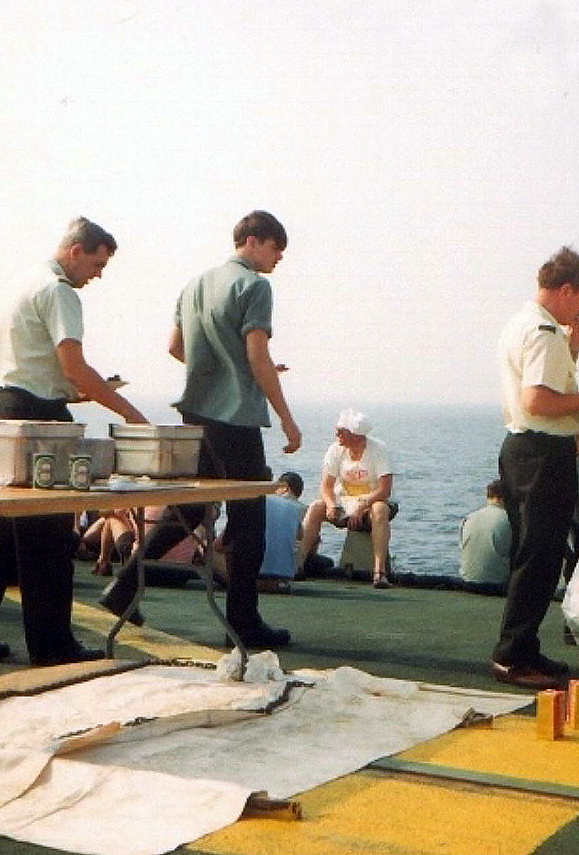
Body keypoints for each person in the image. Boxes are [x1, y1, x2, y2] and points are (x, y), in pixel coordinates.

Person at [0, 216, 148, 666]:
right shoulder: (60, 292)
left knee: (1, 530)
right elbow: (74, 366)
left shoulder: (23, 284)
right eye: (97, 264)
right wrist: (130, 414)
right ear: (76, 251)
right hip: (37, 418)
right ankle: (51, 644)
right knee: (48, 535)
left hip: (3, 406)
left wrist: (69, 391)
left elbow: (45, 369)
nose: (97, 275)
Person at [100, 210, 300, 648]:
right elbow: (256, 355)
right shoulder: (255, 286)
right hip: (236, 419)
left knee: (190, 510)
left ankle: (124, 585)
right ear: (254, 241)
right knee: (249, 518)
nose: (278, 259)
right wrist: (285, 417)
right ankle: (242, 624)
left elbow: (175, 347)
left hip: (197, 415)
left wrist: (219, 369)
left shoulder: (194, 285)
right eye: (275, 248)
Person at [490, 246, 579, 690]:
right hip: (542, 454)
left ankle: (523, 647)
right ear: (567, 289)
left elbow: (536, 392)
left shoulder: (525, 324)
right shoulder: (543, 331)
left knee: (531, 555)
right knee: (539, 557)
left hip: (521, 451)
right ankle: (512, 656)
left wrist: (571, 351)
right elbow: (538, 402)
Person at [298, 409, 398, 588]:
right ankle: (297, 565)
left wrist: (361, 507)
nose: (337, 434)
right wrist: (330, 505)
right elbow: (326, 485)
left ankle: (379, 573)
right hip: (344, 501)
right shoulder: (336, 449)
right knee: (315, 507)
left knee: (380, 510)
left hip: (371, 502)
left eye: (341, 431)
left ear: (357, 436)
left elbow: (384, 489)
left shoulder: (378, 449)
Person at [458, 480, 511, 594]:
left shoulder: (468, 519)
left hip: (468, 583)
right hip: (498, 586)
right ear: (504, 497)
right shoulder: (510, 520)